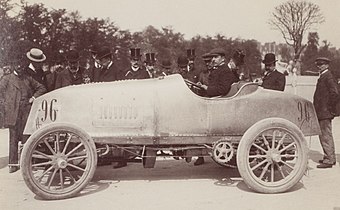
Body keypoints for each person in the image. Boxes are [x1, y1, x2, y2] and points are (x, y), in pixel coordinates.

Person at [0, 59, 46, 173]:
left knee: (27, 138)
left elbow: (42, 88)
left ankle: (28, 162)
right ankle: (13, 163)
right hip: (13, 113)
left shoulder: (27, 78)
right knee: (13, 139)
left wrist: (34, 98)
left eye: (22, 65)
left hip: (26, 112)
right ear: (13, 66)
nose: (20, 67)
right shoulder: (6, 79)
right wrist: (6, 105)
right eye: (17, 65)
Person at [313, 57, 339, 168]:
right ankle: (329, 157)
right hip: (323, 111)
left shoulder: (328, 76)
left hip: (325, 111)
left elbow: (335, 93)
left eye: (321, 64)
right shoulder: (324, 76)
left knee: (325, 134)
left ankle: (329, 159)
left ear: (327, 65)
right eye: (318, 64)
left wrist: (329, 107)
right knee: (324, 134)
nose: (319, 66)